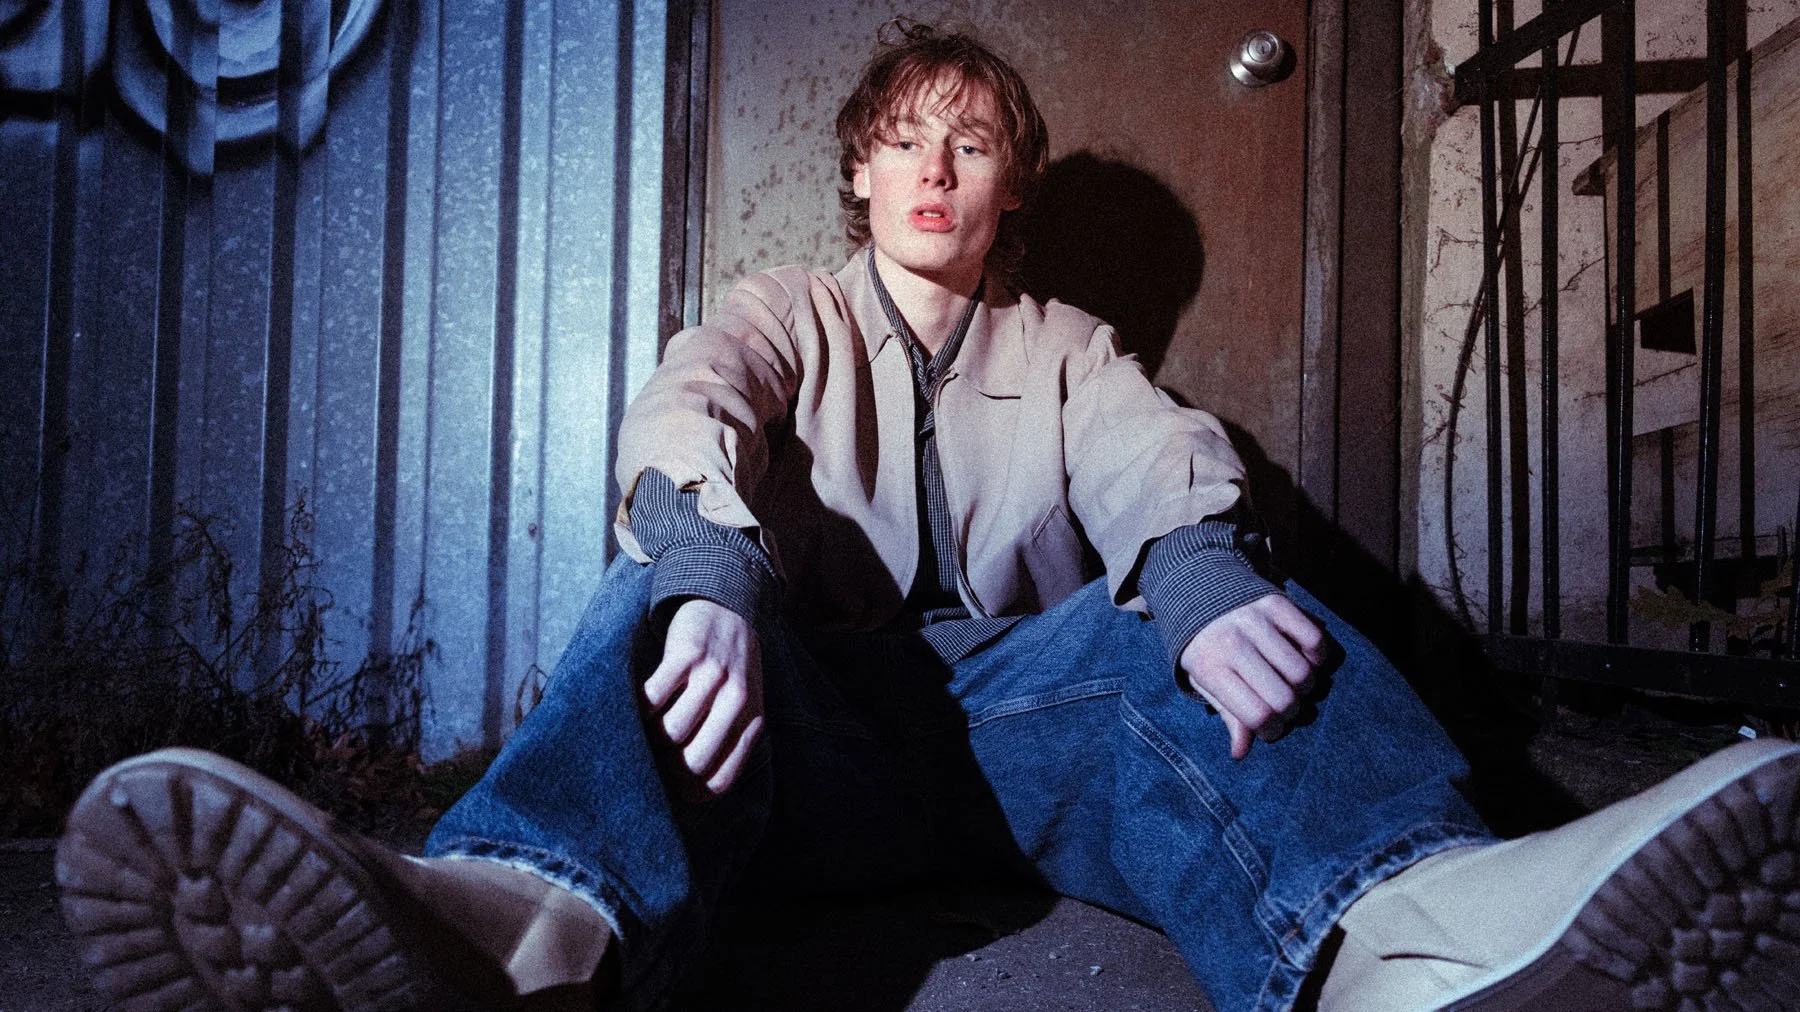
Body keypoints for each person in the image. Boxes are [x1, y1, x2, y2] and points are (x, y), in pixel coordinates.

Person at [56, 21, 1800, 1012]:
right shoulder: (787, 307)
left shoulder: (1064, 344)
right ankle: (509, 932)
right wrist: (713, 570)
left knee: (1223, 619)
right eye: (909, 140)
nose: (942, 166)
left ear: (1010, 183)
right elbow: (692, 404)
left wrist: (1191, 579)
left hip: (1051, 733)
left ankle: (1430, 934)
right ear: (861, 176)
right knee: (659, 609)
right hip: (813, 731)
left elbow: (1148, 453)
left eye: (974, 141)